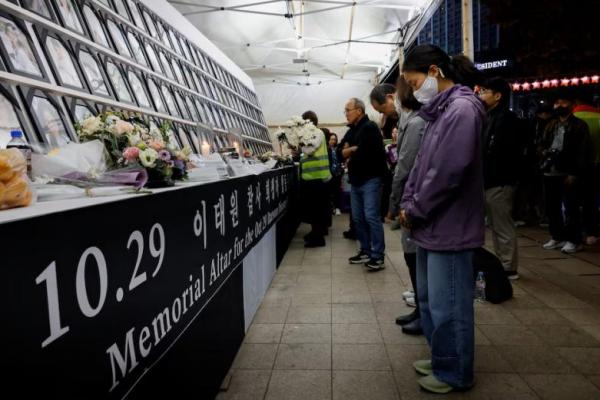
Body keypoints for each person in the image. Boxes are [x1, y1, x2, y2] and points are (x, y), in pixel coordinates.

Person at [399, 44, 485, 394]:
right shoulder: (440, 111)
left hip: (448, 224)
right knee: (432, 302)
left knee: (450, 304)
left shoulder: (462, 110)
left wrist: (415, 208)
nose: (414, 88)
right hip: (430, 223)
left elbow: (447, 172)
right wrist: (408, 201)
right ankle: (441, 358)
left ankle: (455, 372)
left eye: (415, 80)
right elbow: (422, 167)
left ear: (434, 72)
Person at [386, 77, 426, 335]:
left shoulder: (416, 123)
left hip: (412, 197)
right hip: (412, 196)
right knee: (412, 256)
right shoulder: (410, 122)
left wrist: (393, 201)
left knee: (414, 256)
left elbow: (405, 165)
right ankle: (421, 310)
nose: (394, 102)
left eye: (396, 97)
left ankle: (424, 312)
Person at [478, 77, 520, 280]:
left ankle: (509, 267)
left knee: (502, 223)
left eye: (485, 91)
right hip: (490, 179)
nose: (481, 94)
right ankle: (503, 262)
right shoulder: (490, 116)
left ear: (498, 95)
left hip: (500, 180)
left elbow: (502, 153)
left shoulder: (507, 120)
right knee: (495, 223)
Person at [540, 93, 592, 254]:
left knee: (571, 207)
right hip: (550, 171)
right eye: (556, 102)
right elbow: (542, 143)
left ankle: (573, 239)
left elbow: (582, 151)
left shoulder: (579, 125)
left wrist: (575, 172)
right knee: (552, 207)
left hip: (568, 171)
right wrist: (543, 153)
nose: (559, 105)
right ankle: (557, 236)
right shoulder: (551, 124)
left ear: (571, 104)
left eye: (563, 102)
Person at [342, 98, 388, 270]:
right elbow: (340, 152)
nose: (346, 113)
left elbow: (364, 154)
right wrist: (350, 150)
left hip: (371, 179)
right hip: (356, 180)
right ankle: (366, 250)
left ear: (359, 111)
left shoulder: (370, 127)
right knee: (358, 218)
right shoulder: (351, 130)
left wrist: (352, 151)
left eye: (348, 110)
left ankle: (378, 255)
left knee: (371, 216)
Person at [299, 110, 331, 248]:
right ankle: (314, 232)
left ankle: (318, 238)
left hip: (318, 178)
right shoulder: (310, 135)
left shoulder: (318, 133)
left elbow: (310, 150)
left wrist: (300, 145)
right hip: (311, 178)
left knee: (317, 209)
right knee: (313, 209)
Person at [573, 93, 600, 244]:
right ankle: (592, 232)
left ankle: (577, 234)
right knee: (592, 200)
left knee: (574, 201)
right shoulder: (598, 116)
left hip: (578, 167)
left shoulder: (573, 117)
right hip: (596, 165)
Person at [328, 133, 343, 216]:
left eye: (334, 139)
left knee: (337, 191)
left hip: (337, 172)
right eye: (331, 139)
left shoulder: (338, 149)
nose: (333, 141)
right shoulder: (327, 149)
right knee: (330, 191)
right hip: (329, 172)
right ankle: (331, 207)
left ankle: (337, 207)